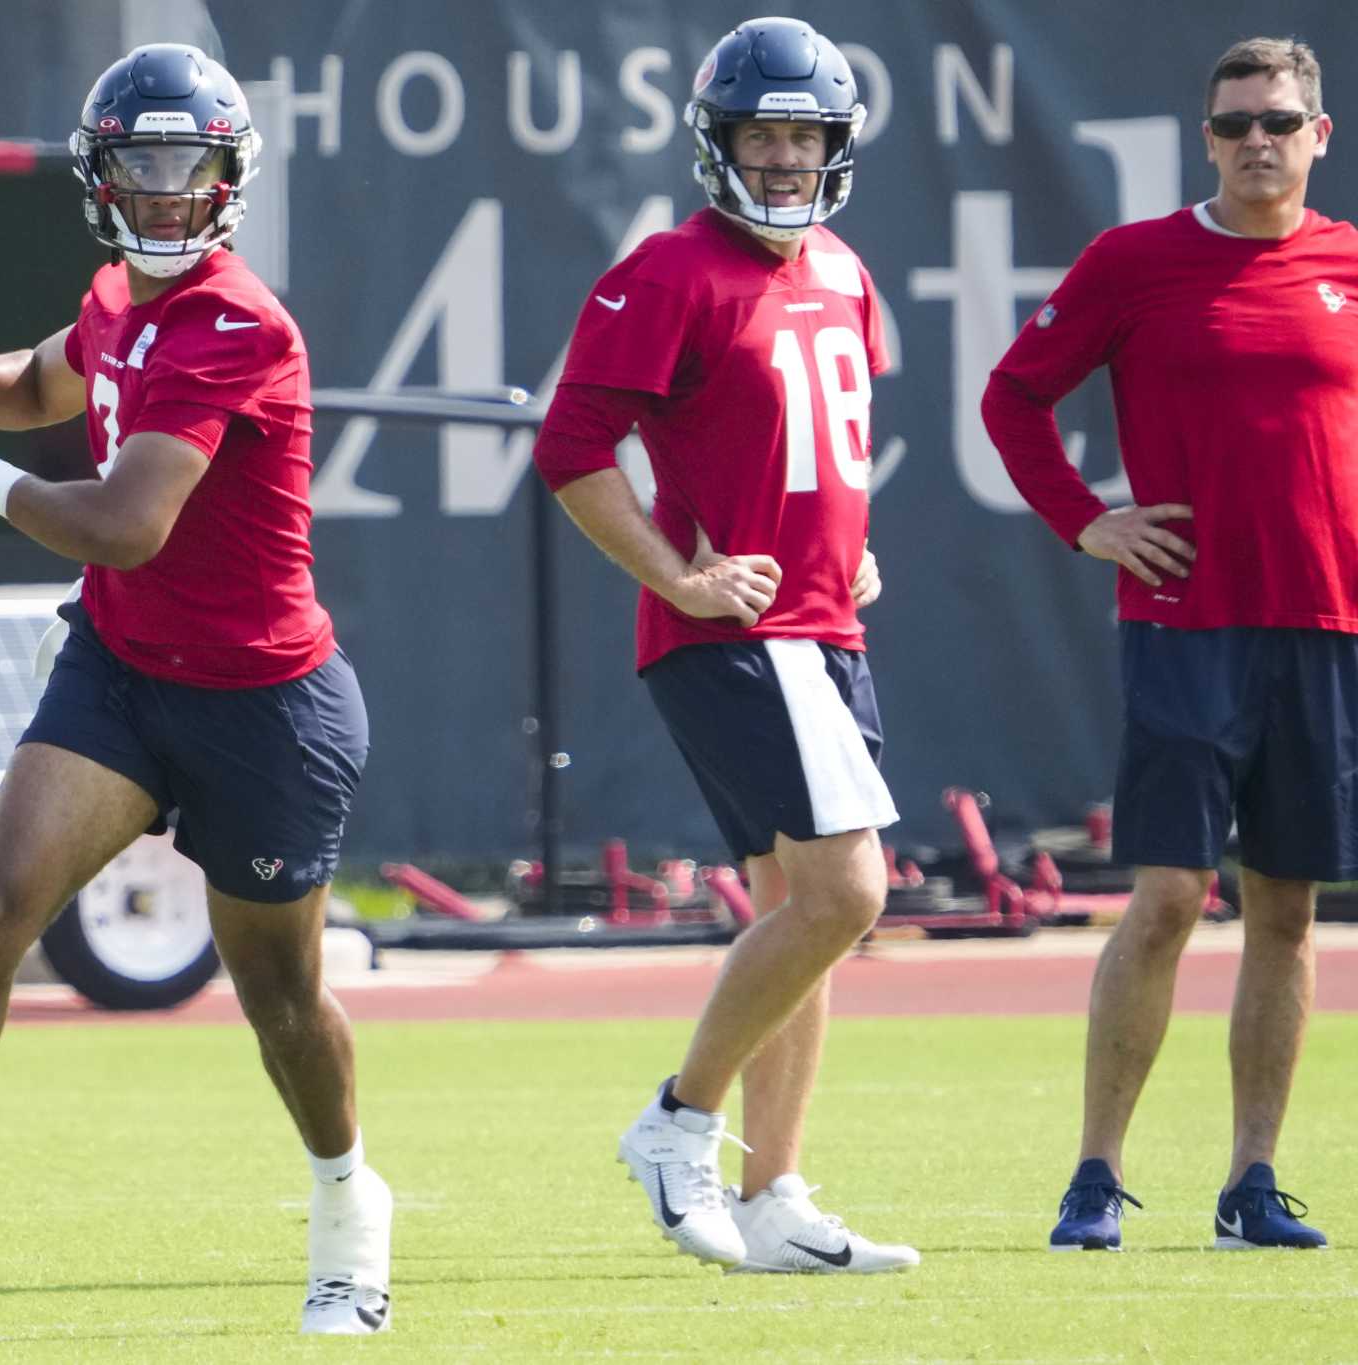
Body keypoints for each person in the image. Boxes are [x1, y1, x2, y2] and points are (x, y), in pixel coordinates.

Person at [0, 45, 390, 1334]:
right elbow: (48, 377)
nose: (165, 193)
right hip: (121, 672)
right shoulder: (119, 296)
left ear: (227, 178)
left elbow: (127, 522)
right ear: (101, 179)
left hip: (262, 701)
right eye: (142, 167)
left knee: (274, 996)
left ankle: (345, 1206)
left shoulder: (236, 322)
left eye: (188, 166)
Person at [530, 17, 918, 1275]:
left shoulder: (845, 271)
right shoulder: (669, 270)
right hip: (744, 632)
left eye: (804, 135)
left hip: (822, 620)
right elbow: (569, 448)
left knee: (794, 908)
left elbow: (820, 447)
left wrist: (846, 546)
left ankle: (774, 1192)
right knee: (847, 893)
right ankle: (677, 1121)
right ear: (717, 142)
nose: (785, 158)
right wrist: (678, 574)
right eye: (763, 133)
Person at [984, 36, 1349, 1253]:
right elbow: (1011, 395)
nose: (1259, 140)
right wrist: (1087, 521)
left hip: (1323, 633)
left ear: (1318, 136)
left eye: (1280, 121)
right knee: (1164, 900)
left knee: (1286, 914)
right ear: (1206, 138)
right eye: (1236, 122)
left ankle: (1251, 1182)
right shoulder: (1134, 262)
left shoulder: (1349, 265)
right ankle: (1094, 1177)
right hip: (1183, 628)